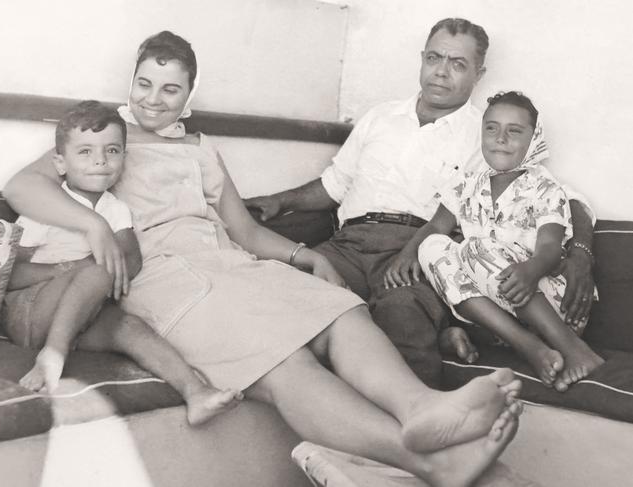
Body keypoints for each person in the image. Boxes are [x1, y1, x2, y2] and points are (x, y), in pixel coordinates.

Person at [4, 31, 524, 486]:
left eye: (170, 89)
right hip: (160, 275)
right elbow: (22, 186)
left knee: (340, 309)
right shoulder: (105, 138)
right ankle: (432, 466)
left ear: (189, 94)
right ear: (131, 82)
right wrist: (94, 224)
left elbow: (246, 231)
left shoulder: (201, 147)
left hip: (227, 262)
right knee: (283, 360)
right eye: (144, 84)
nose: (154, 100)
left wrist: (302, 256)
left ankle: (422, 408)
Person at [245, 18, 597, 387]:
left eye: (457, 64)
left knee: (403, 316)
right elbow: (334, 186)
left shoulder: (488, 132)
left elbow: (563, 198)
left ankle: (412, 430)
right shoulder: (380, 117)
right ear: (422, 59)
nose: (441, 72)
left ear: (480, 74)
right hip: (347, 245)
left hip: (416, 254)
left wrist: (581, 254)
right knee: (282, 291)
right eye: (434, 58)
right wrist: (277, 200)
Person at [3, 100, 243, 424]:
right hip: (29, 313)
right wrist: (70, 270)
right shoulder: (49, 207)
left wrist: (100, 275)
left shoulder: (115, 209)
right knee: (100, 268)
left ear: (123, 158)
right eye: (85, 152)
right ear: (60, 162)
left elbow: (130, 261)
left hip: (80, 317)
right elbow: (9, 276)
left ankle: (195, 393)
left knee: (130, 326)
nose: (100, 161)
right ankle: (53, 355)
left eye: (112, 151)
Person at [399, 91, 604, 391]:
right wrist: (406, 253)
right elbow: (435, 226)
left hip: (554, 303)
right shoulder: (466, 184)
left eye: (515, 131)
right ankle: (528, 346)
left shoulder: (544, 186)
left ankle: (572, 348)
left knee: (474, 248)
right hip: (501, 313)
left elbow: (549, 247)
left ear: (534, 139)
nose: (501, 138)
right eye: (492, 128)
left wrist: (531, 270)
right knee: (432, 246)